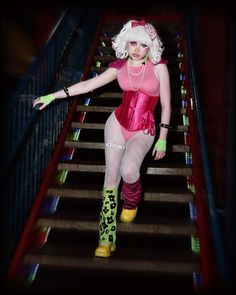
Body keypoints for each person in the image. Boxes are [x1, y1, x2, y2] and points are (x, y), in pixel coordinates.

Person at [33, 19, 172, 258]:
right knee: (110, 180)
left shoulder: (159, 67)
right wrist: (53, 96)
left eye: (143, 45)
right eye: (133, 43)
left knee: (130, 170)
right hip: (117, 124)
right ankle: (106, 239)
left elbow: (167, 105)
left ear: (151, 47)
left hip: (145, 127)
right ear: (125, 44)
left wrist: (163, 138)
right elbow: (88, 85)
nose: (137, 49)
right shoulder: (119, 66)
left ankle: (131, 199)